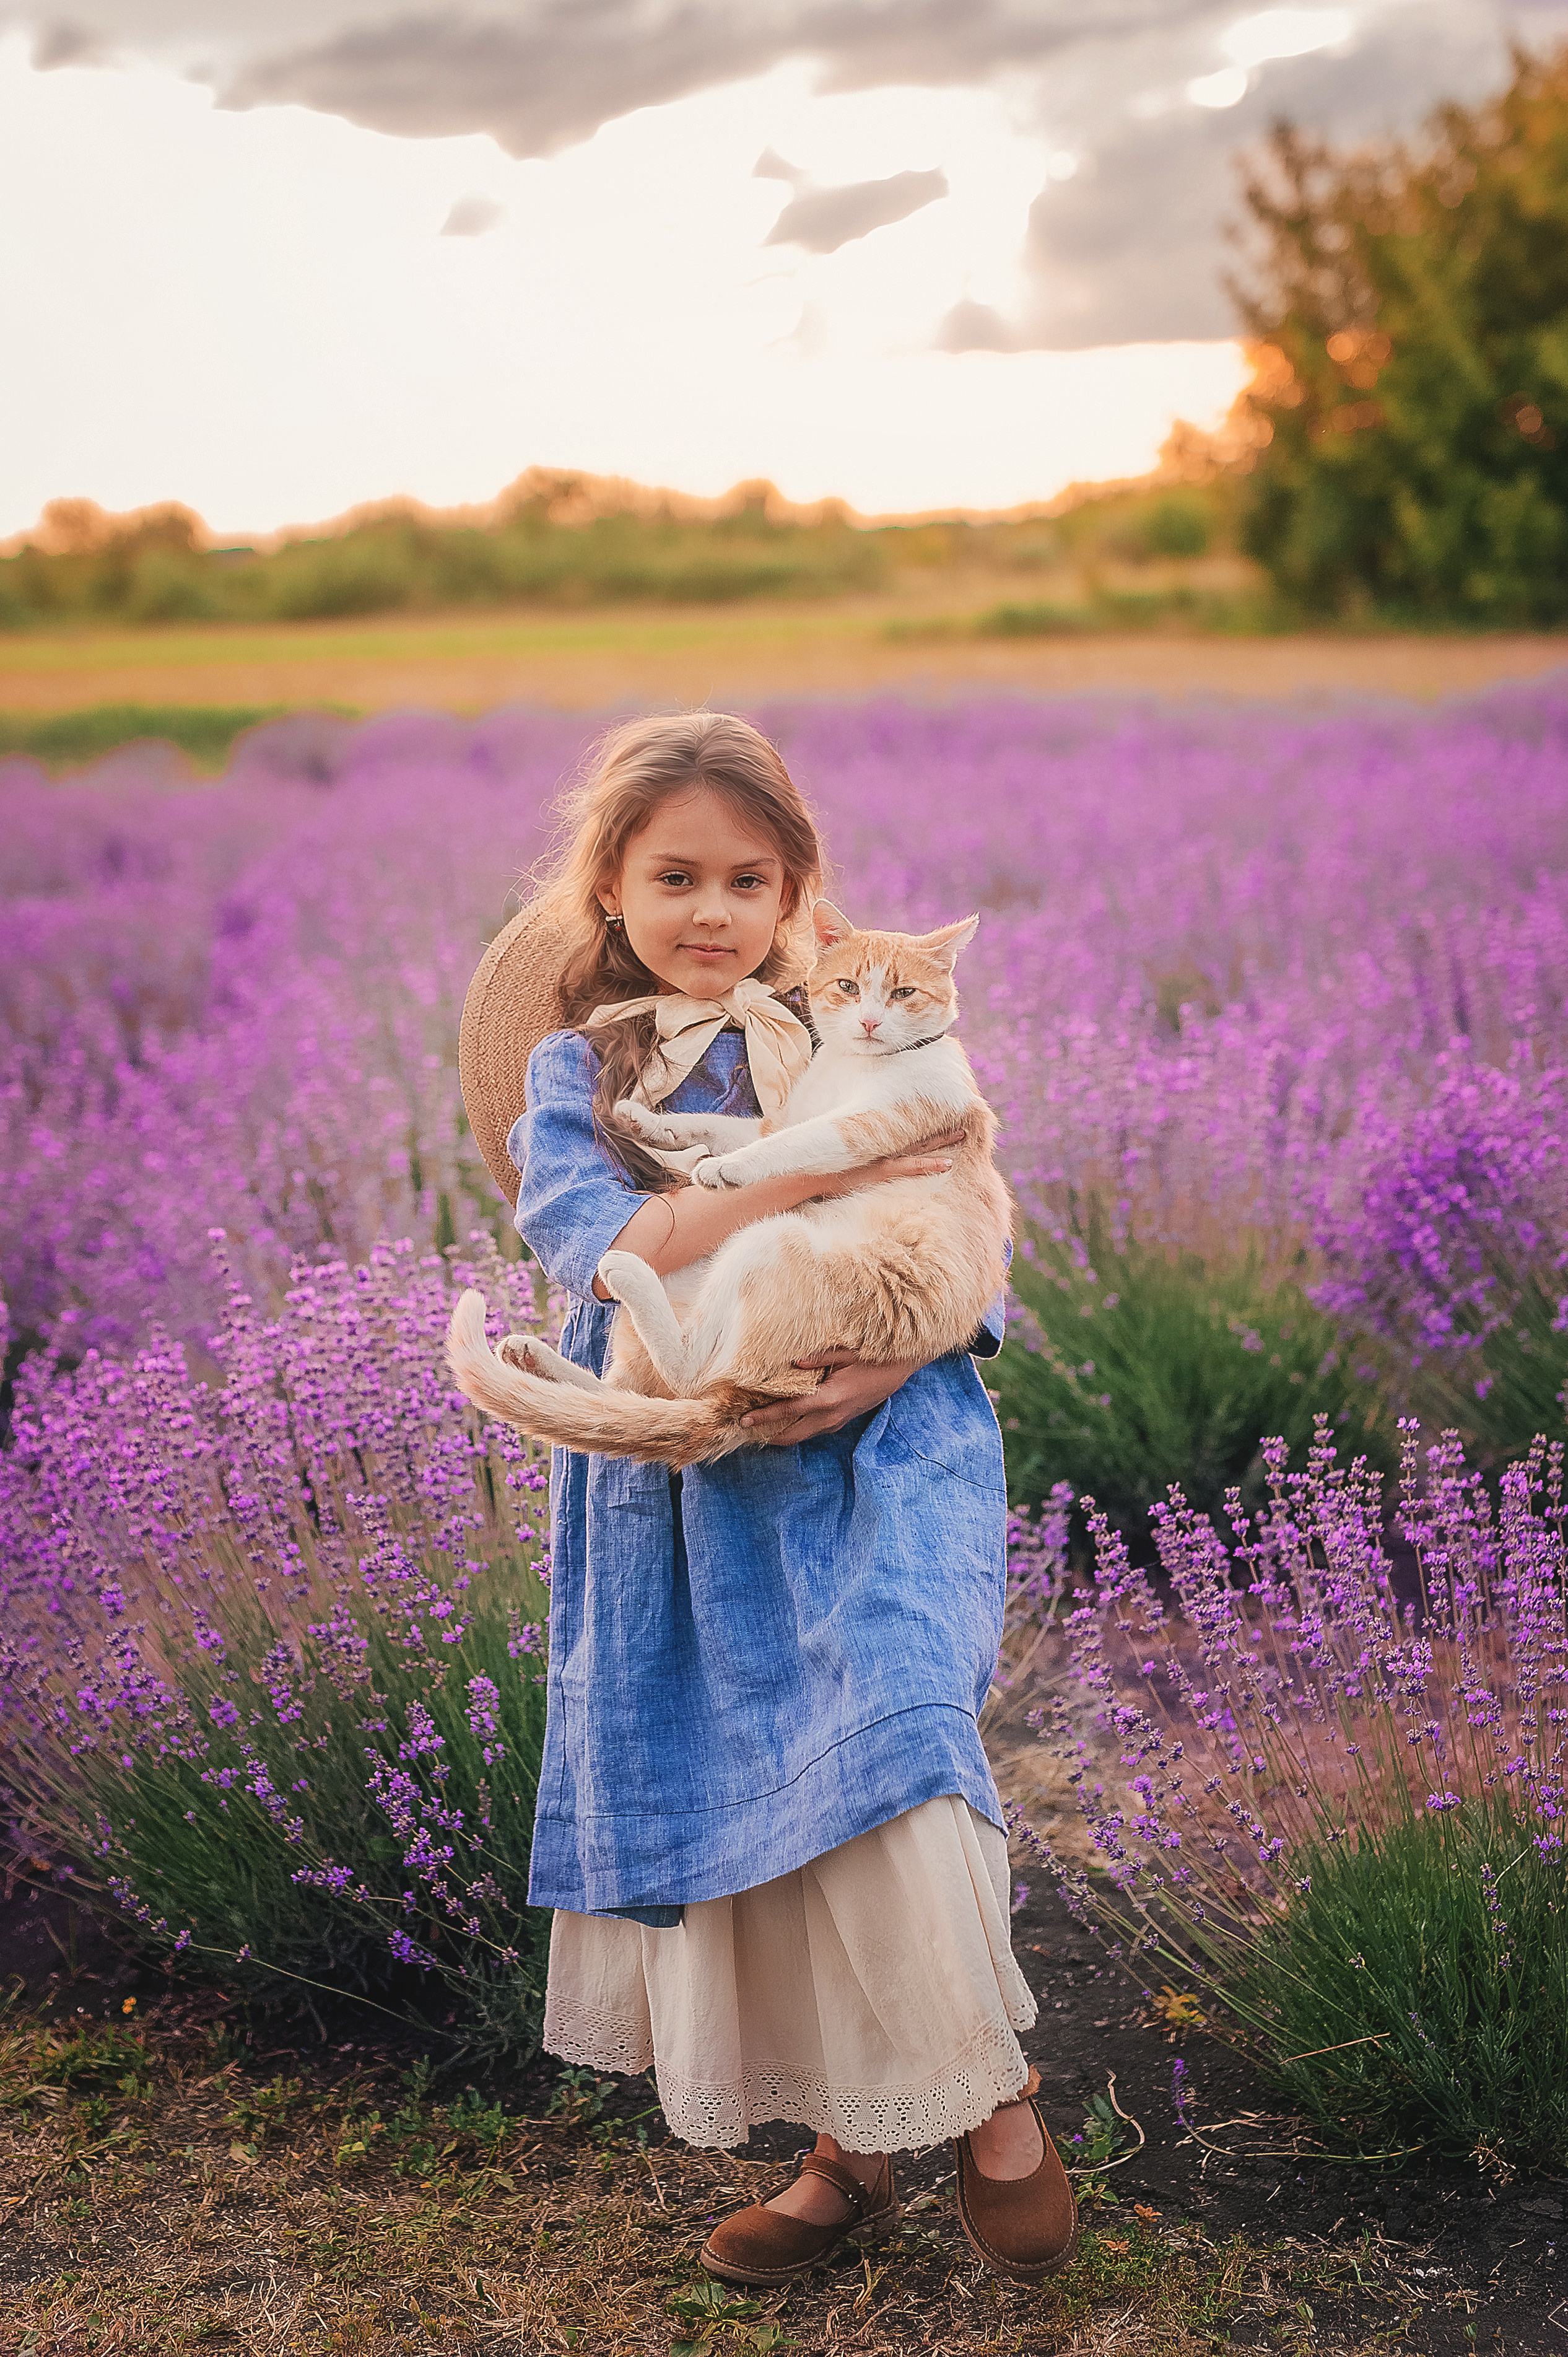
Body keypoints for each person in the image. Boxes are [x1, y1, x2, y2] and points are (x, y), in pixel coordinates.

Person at [458, 710, 1077, 2287]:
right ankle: (845, 2148)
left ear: (795, 888)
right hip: (694, 1480)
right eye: (676, 876)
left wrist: (889, 1359)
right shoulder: (576, 1066)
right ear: (609, 886)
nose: (713, 911)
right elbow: (602, 1247)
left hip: (882, 1442)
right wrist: (803, 1176)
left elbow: (964, 1199)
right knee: (768, 1781)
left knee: (899, 1742)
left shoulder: (853, 1020)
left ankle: (994, 2107)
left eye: (750, 877)